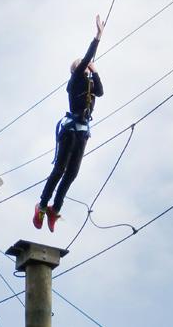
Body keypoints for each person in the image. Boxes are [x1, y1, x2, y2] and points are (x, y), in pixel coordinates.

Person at [33, 14, 105, 232]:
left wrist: (95, 71)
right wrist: (98, 37)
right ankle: (42, 205)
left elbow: (101, 92)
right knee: (60, 170)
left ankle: (55, 209)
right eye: (83, 65)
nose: (86, 66)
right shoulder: (74, 82)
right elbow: (85, 58)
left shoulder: (91, 84)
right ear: (76, 70)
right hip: (69, 130)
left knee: (72, 174)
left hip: (82, 132)